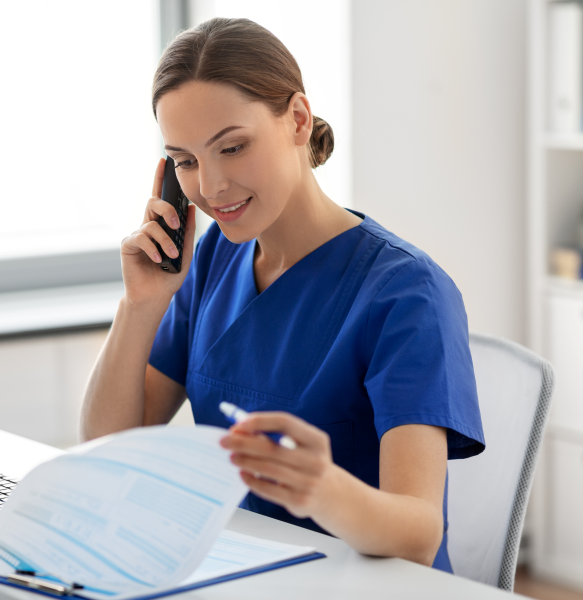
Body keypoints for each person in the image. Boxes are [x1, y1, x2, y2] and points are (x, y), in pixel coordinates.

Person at [80, 17, 484, 572]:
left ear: (297, 119)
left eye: (233, 147)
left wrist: (324, 489)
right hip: (239, 573)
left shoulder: (406, 292)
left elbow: (418, 532)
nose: (211, 187)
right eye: (186, 161)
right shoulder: (213, 259)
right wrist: (141, 305)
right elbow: (106, 447)